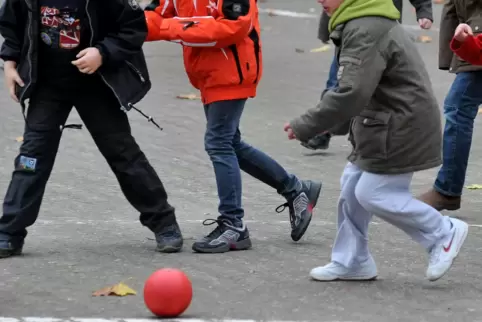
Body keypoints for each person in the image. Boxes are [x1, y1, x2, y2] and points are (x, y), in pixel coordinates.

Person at [284, 0, 468, 282]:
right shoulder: (356, 20)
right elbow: (358, 88)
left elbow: (351, 92)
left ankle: (443, 232)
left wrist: (308, 125)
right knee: (351, 187)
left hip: (402, 126)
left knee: (372, 193)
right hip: (381, 124)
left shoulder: (365, 28)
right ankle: (352, 261)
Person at [0, 0, 183, 258]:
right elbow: (13, 27)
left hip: (96, 85)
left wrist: (103, 52)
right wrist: (9, 63)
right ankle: (9, 232)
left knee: (123, 154)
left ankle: (164, 223)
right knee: (31, 158)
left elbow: (132, 27)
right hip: (48, 87)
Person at [144, 0, 322, 254]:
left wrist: (171, 27)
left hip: (232, 73)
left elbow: (232, 26)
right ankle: (296, 190)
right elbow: (153, 16)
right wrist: (124, 28)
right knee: (229, 143)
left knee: (218, 142)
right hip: (208, 74)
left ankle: (233, 224)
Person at [302, 0, 434, 151]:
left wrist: (423, 10)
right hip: (350, 32)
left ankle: (361, 133)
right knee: (339, 83)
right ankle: (324, 128)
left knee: (371, 90)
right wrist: (326, 28)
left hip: (381, 31)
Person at [418, 0, 482, 211]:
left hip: (477, 38)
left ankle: (448, 190)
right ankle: (448, 190)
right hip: (471, 38)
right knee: (458, 108)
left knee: (458, 108)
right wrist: (451, 53)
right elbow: (454, 7)